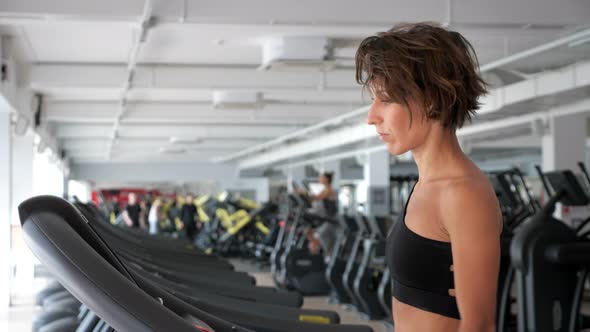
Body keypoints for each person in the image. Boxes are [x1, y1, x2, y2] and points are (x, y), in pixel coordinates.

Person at [356, 23, 502, 331]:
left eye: (385, 99)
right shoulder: (426, 185)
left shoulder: (462, 193)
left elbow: (479, 326)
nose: (372, 116)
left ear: (432, 99)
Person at [297, 172, 338, 257]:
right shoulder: (325, 190)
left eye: (322, 178)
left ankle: (328, 254)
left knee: (320, 234)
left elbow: (315, 198)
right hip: (325, 218)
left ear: (326, 179)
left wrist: (304, 193)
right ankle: (318, 253)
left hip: (330, 220)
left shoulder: (329, 190)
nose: (320, 179)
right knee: (308, 232)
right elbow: (314, 200)